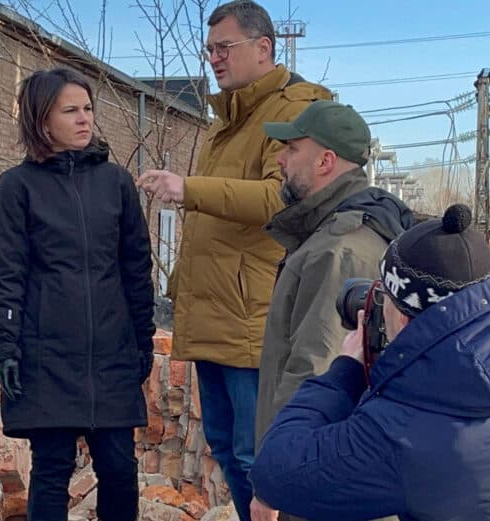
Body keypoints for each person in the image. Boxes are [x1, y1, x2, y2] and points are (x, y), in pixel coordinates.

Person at [250, 204, 490, 521]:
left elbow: (275, 472)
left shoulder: (401, 428)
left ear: (401, 317)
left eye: (384, 299)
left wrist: (346, 370)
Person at [135, 2, 331, 520]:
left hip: (253, 316)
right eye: (210, 50)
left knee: (256, 456)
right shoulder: (230, 117)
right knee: (225, 448)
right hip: (213, 310)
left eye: (225, 48)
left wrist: (189, 188)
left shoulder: (295, 110)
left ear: (263, 48)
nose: (214, 59)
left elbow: (279, 199)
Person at [0, 68, 155, 521]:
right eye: (71, 111)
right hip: (47, 356)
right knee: (52, 470)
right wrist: (5, 346)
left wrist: (143, 339)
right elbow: (6, 274)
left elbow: (137, 270)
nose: (85, 119)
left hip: (111, 352)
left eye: (88, 109)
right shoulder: (17, 188)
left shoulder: (116, 184)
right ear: (43, 121)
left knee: (120, 467)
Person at [250, 100, 412, 521]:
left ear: (325, 160)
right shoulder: (332, 233)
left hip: (316, 482)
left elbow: (318, 370)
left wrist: (275, 481)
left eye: (291, 149)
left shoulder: (342, 247)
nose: (281, 160)